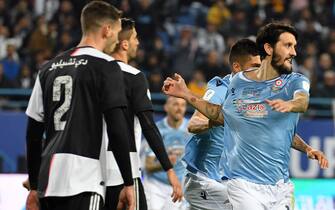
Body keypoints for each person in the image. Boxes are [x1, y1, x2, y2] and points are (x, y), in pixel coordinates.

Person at [162, 22, 329, 210]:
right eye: (254, 66)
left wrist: (306, 148)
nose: (294, 52)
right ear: (237, 67)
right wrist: (188, 96)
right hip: (211, 178)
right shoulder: (224, 86)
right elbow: (200, 122)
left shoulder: (286, 83)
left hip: (267, 184)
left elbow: (284, 122)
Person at [25, 2, 135, 210]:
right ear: (107, 30)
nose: (117, 39)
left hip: (48, 182)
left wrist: (34, 186)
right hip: (84, 179)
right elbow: (117, 128)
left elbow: (32, 134)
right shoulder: (107, 66)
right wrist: (128, 183)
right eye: (118, 32)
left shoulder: (48, 68)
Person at [102, 18, 182, 210]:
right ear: (124, 43)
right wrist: (169, 169)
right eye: (135, 38)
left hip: (92, 173)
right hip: (124, 172)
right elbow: (148, 125)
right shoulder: (134, 77)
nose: (138, 43)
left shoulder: (94, 73)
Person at [144, 96, 190, 210]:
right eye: (175, 104)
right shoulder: (156, 130)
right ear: (166, 107)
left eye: (183, 105)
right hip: (156, 185)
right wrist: (166, 164)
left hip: (179, 186)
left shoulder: (192, 129)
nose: (179, 108)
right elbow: (148, 166)